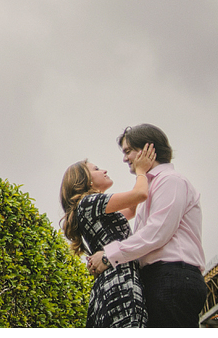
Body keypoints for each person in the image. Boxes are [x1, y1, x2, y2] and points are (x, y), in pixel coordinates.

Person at [87, 124, 207, 327]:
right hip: (160, 279)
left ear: (147, 150)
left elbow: (156, 233)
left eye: (127, 151)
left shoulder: (171, 181)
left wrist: (109, 256)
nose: (125, 158)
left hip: (173, 277)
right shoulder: (154, 186)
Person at [59, 142, 157, 327]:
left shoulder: (89, 208)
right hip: (120, 284)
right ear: (85, 179)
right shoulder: (90, 201)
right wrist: (141, 171)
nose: (104, 170)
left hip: (110, 284)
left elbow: (131, 209)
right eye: (96, 169)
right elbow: (140, 194)